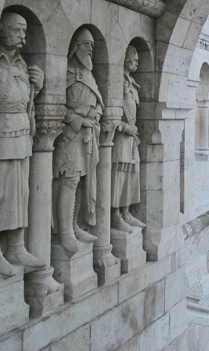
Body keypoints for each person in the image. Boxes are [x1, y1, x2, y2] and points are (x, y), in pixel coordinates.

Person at [0, 13, 46, 277]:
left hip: (21, 134)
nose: (22, 36)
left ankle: (16, 246)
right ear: (1, 29)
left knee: (20, 192)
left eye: (24, 31)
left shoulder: (23, 65)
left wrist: (36, 89)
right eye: (17, 30)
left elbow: (24, 103)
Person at [53, 28, 104, 253]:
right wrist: (77, 119)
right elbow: (53, 107)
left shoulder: (89, 74)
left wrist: (95, 114)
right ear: (76, 46)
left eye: (92, 45)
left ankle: (74, 225)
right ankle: (64, 231)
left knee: (83, 181)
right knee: (69, 181)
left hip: (88, 137)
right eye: (86, 44)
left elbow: (99, 102)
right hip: (70, 137)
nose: (90, 49)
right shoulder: (66, 72)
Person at [111, 45, 146, 233]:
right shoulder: (117, 81)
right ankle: (115, 215)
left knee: (131, 173)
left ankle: (126, 212)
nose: (137, 63)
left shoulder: (131, 82)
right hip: (120, 137)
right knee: (119, 174)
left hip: (132, 137)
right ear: (126, 59)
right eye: (135, 59)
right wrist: (125, 128)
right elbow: (109, 114)